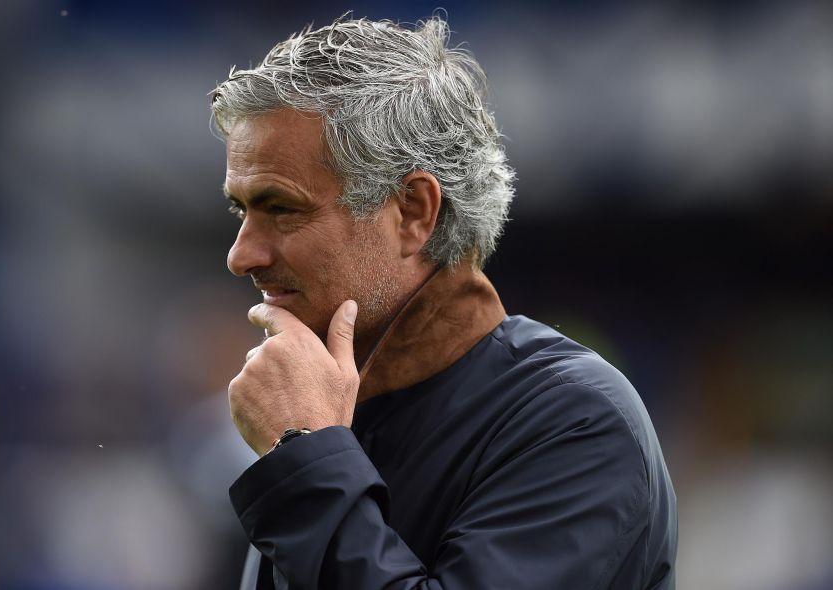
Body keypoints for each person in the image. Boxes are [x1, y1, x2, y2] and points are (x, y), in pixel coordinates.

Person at [211, 16, 677, 590]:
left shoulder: (576, 423)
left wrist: (305, 457)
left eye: (281, 208)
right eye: (241, 210)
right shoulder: (322, 411)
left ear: (413, 212)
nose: (241, 255)